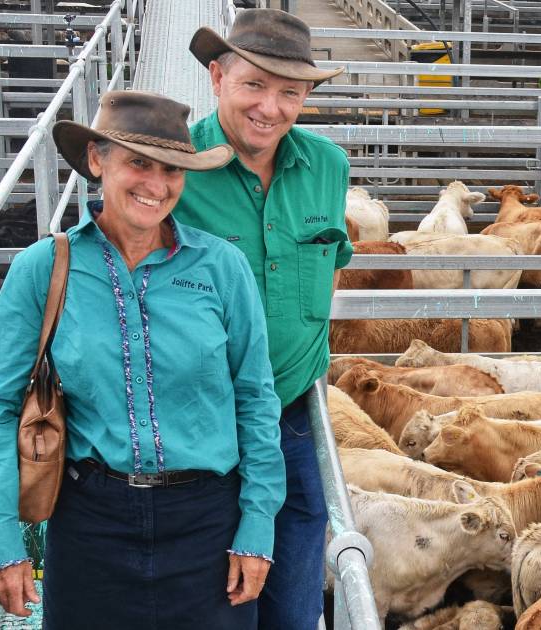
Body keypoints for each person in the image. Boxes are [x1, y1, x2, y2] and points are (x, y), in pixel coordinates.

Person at [0, 91, 285, 628]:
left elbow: (256, 399)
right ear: (98, 162)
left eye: (172, 169)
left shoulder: (223, 268)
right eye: (137, 163)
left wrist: (258, 523)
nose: (156, 184)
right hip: (89, 523)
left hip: (209, 526)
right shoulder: (44, 268)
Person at [172, 9, 351, 628]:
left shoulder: (327, 165)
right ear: (217, 77)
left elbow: (332, 265)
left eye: (290, 92)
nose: (270, 107)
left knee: (294, 605)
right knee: (214, 599)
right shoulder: (172, 169)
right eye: (254, 84)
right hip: (200, 427)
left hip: (295, 421)